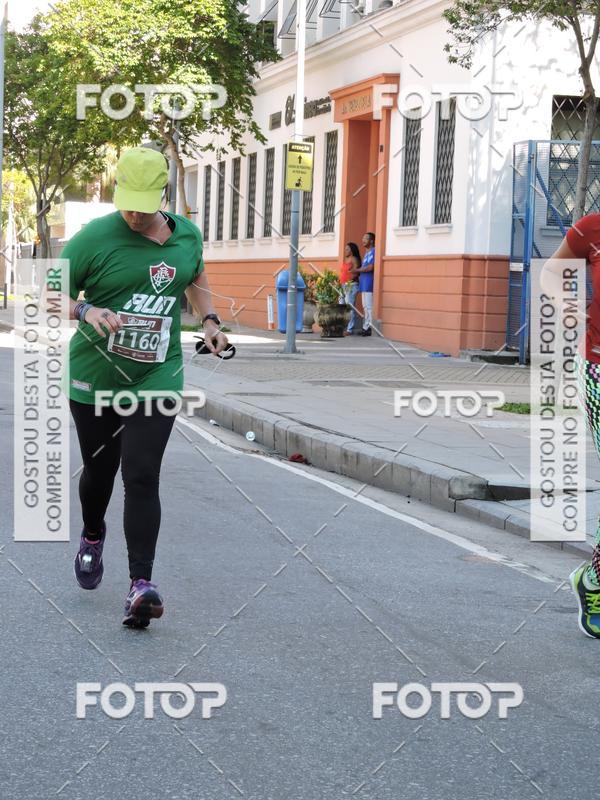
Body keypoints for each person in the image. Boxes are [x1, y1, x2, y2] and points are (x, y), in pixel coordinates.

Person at [56, 147, 228, 628]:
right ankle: (92, 533)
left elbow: (195, 275)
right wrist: (84, 310)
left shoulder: (186, 235)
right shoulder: (95, 237)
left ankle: (140, 585)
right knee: (99, 472)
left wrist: (209, 321)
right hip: (97, 376)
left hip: (157, 373)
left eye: (142, 204)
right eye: (126, 202)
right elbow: (48, 290)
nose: (132, 213)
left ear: (163, 195)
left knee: (141, 472)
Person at [542, 214, 600, 638]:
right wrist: (565, 304)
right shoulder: (592, 228)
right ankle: (596, 579)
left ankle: (593, 576)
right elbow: (552, 271)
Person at [339, 242, 361, 336]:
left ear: (352, 250)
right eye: (345, 249)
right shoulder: (346, 259)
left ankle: (350, 329)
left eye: (347, 249)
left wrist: (348, 281)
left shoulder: (354, 259)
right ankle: (342, 327)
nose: (345, 251)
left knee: (349, 307)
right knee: (341, 305)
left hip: (351, 285)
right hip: (343, 285)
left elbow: (356, 272)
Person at [356, 231, 375, 336]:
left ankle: (370, 327)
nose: (363, 240)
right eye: (363, 238)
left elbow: (370, 267)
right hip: (363, 283)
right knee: (364, 306)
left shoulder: (373, 251)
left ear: (371, 241)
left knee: (369, 306)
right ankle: (365, 326)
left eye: (366, 238)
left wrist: (358, 270)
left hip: (368, 282)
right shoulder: (367, 253)